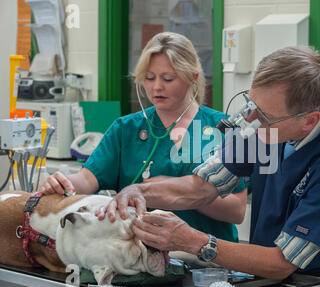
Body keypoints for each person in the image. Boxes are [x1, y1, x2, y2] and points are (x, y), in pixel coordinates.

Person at [99, 46, 320, 287]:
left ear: (308, 121)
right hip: (275, 279)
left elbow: (282, 261)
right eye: (250, 104)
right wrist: (138, 190)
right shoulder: (262, 122)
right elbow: (202, 187)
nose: (249, 120)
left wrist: (194, 241)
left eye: (263, 116)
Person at [39, 32, 248, 243]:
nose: (156, 86)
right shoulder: (125, 129)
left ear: (192, 78)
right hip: (138, 257)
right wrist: (63, 184)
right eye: (149, 78)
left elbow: (236, 210)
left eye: (168, 78)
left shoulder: (223, 129)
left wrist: (173, 190)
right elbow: (87, 179)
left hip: (205, 262)